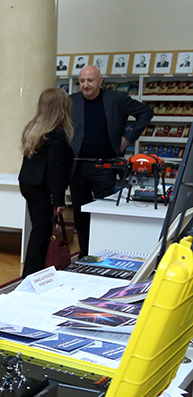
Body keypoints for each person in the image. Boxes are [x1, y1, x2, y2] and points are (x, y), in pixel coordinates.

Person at [69, 64, 153, 256]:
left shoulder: (117, 99)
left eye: (90, 80)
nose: (86, 85)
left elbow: (146, 112)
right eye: (82, 81)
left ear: (100, 81)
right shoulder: (71, 101)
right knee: (80, 213)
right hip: (77, 166)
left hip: (105, 166)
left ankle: (102, 253)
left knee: (104, 212)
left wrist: (128, 138)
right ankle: (85, 253)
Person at [19, 88, 75, 277]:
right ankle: (31, 274)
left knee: (38, 229)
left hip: (29, 184)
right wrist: (58, 200)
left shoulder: (34, 129)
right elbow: (55, 170)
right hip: (42, 187)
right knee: (41, 232)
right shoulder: (57, 134)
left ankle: (35, 272)